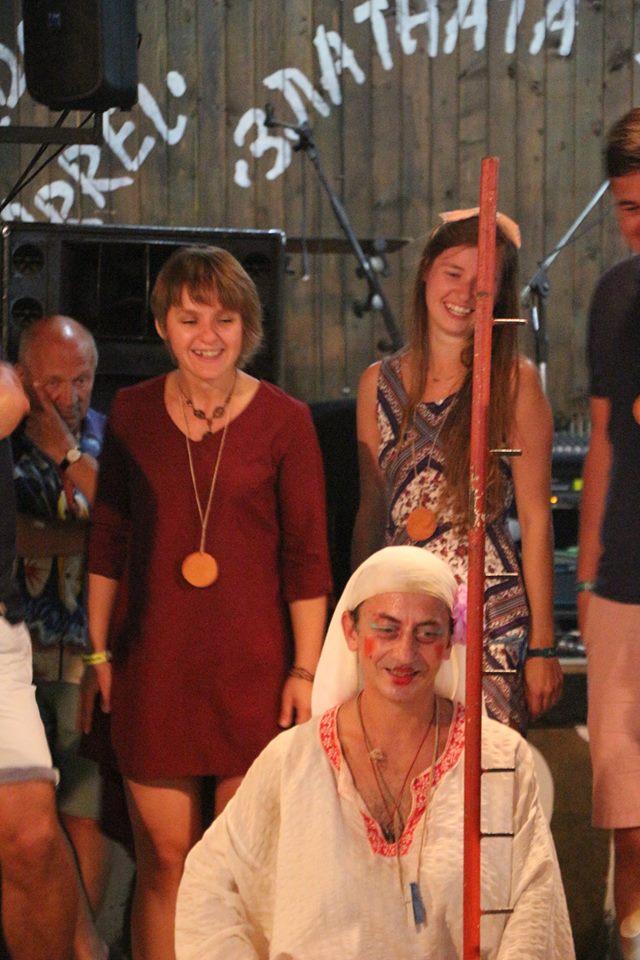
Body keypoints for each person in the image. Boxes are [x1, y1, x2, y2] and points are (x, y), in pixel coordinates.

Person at [82, 245, 333, 960]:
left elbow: (307, 557)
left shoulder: (286, 420)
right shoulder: (131, 412)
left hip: (255, 671)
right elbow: (108, 538)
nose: (208, 335)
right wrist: (97, 653)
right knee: (166, 860)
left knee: (237, 871)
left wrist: (305, 670)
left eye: (224, 318)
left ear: (247, 326)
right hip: (154, 665)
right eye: (190, 317)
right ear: (164, 324)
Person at [175, 545, 574, 960]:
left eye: (427, 633)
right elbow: (212, 885)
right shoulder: (293, 760)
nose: (404, 653)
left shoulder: (496, 758)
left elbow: (536, 908)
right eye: (386, 629)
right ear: (351, 631)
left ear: (448, 642)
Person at [351, 211, 562, 734]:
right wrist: (356, 611)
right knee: (404, 767)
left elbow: (537, 519)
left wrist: (543, 644)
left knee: (482, 770)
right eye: (453, 273)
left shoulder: (513, 382)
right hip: (401, 620)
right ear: (426, 270)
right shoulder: (377, 384)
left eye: (482, 282)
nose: (465, 293)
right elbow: (372, 510)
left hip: (489, 620)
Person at [0, 360, 107, 960]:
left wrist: (65, 453)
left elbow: (123, 519)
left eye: (82, 377)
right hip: (35, 635)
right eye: (51, 379)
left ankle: (88, 947)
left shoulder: (103, 433)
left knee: (49, 827)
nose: (67, 393)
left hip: (57, 644)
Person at [577, 107, 640, 959]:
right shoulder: (616, 296)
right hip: (624, 580)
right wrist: (587, 578)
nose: (639, 223)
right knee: (628, 812)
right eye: (628, 207)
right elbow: (601, 440)